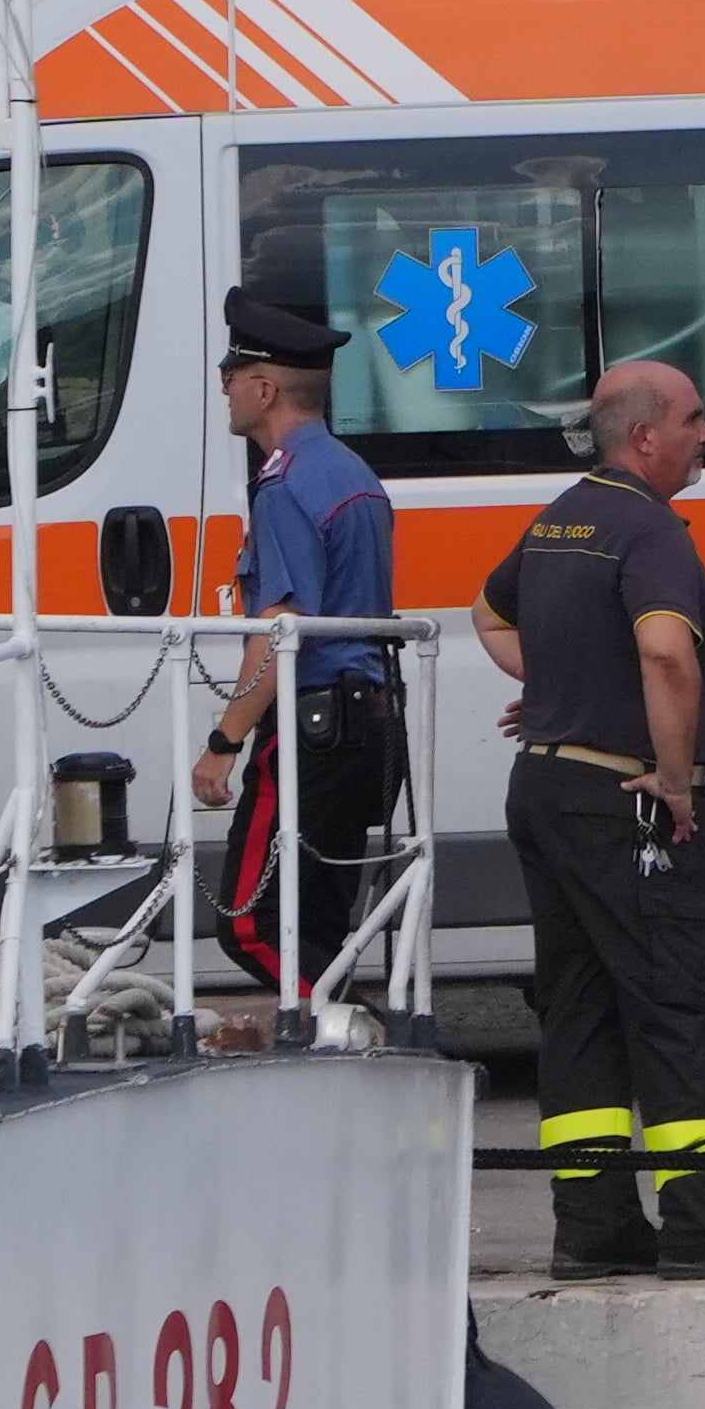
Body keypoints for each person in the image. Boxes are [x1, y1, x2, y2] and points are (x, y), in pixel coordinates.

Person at [474, 357, 705, 1279]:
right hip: (624, 802)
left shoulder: (562, 516)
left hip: (544, 792)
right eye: (696, 419)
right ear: (645, 437)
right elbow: (667, 654)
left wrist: (557, 686)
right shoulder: (648, 528)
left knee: (580, 1013)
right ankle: (704, 1216)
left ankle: (592, 1222)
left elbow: (487, 611)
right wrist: (674, 780)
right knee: (670, 1006)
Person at [197, 291, 402, 1019]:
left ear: (264, 388)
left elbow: (280, 626)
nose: (222, 383)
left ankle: (354, 1030)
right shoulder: (351, 473)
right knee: (316, 922)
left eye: (233, 370)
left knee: (250, 924)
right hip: (367, 723)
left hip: (310, 731)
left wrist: (224, 741)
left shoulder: (283, 487)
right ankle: (338, 1047)